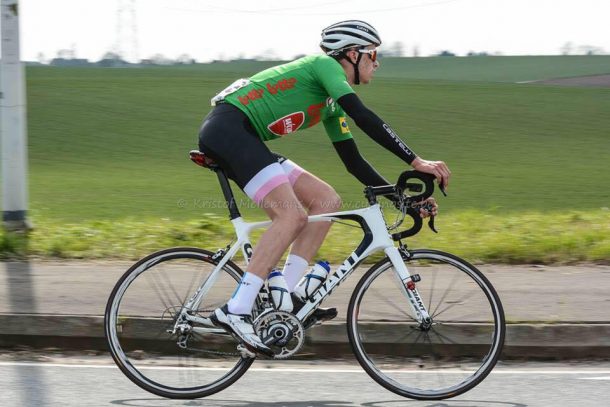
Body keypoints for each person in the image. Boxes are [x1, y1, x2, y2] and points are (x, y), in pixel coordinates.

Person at [199, 20, 451, 356]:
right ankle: (236, 309)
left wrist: (403, 200)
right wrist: (416, 161)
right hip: (229, 130)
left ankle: (283, 302)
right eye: (372, 54)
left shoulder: (331, 104)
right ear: (351, 54)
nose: (377, 63)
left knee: (326, 200)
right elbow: (363, 116)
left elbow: (354, 163)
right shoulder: (325, 66)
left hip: (243, 137)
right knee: (290, 218)